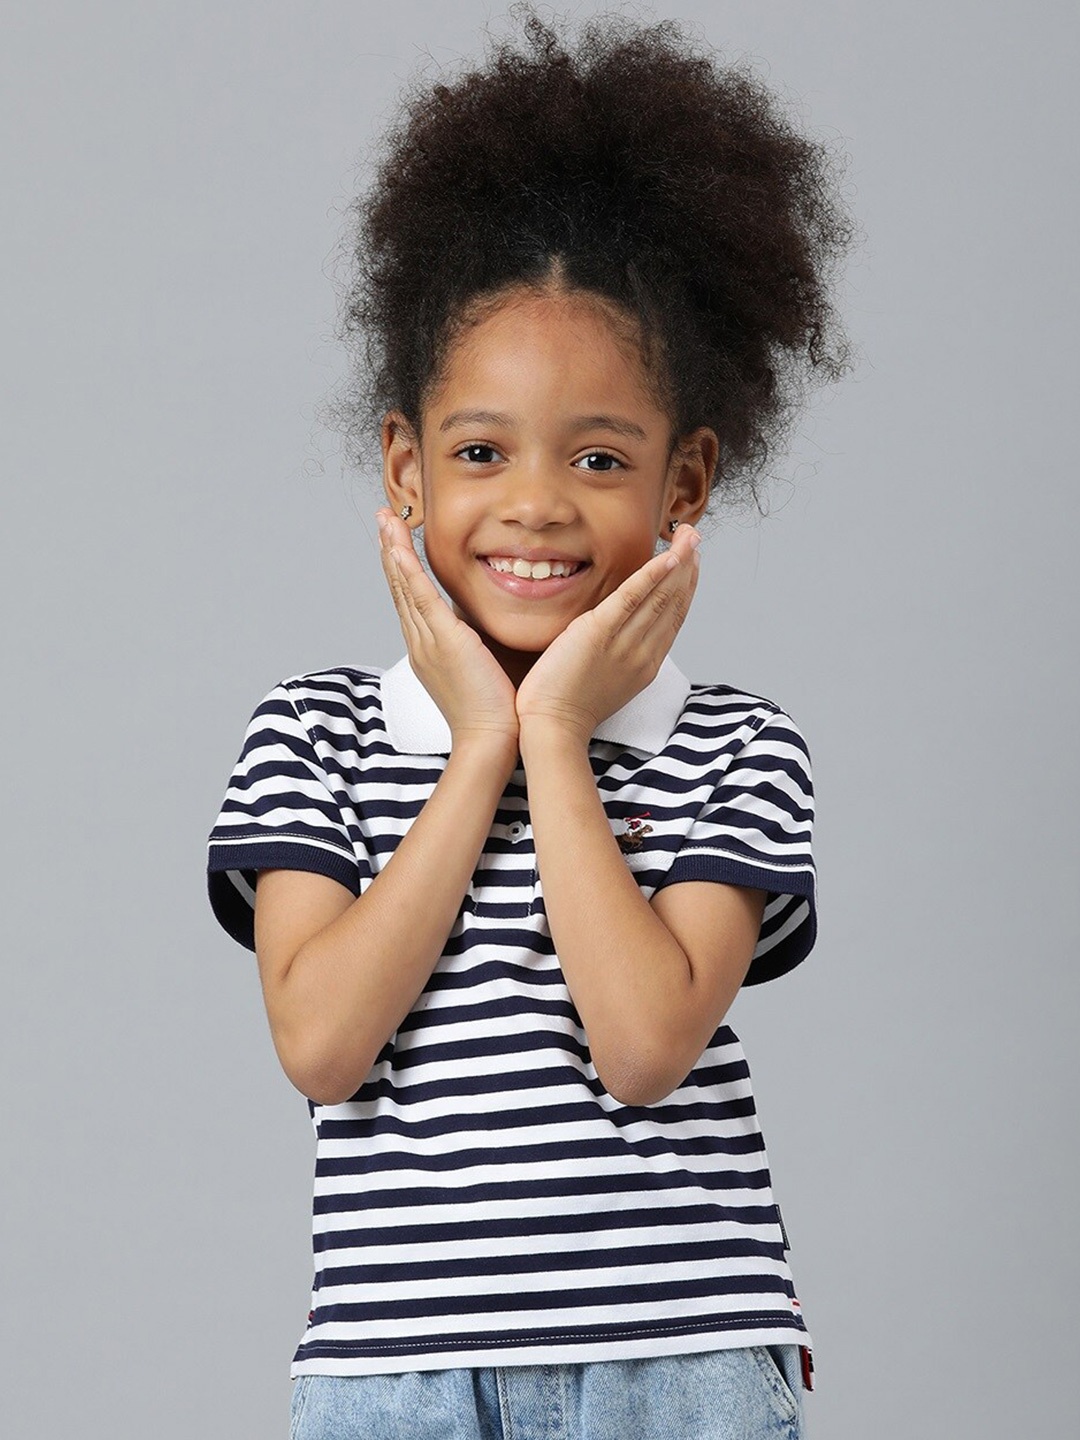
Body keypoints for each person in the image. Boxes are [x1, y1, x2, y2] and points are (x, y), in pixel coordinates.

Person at [207, 9, 851, 1437]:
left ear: (686, 481)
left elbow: (643, 1046)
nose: (538, 503)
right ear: (406, 465)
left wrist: (554, 743)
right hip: (396, 1377)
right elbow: (321, 1045)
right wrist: (479, 748)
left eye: (601, 457)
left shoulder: (739, 746)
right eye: (481, 452)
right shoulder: (311, 735)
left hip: (679, 1363)